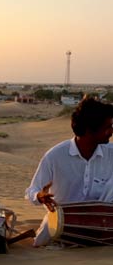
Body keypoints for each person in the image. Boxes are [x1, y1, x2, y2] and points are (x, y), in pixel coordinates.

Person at [25, 96, 113, 246]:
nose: (111, 131)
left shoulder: (111, 153)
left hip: (103, 229)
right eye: (107, 127)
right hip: (60, 226)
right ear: (89, 130)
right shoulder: (55, 156)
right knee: (42, 245)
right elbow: (31, 191)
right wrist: (40, 196)